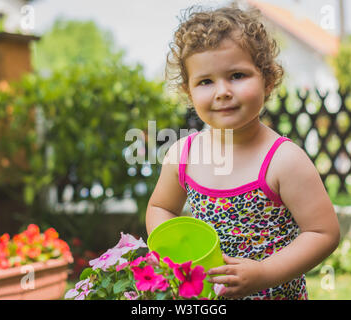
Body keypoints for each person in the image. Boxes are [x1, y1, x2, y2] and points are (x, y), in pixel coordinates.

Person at [145, 3, 340, 300]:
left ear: (267, 79)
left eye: (237, 75)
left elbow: (323, 233)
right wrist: (169, 251)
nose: (222, 91)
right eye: (206, 81)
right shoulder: (184, 155)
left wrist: (264, 273)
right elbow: (161, 208)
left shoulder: (283, 160)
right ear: (189, 92)